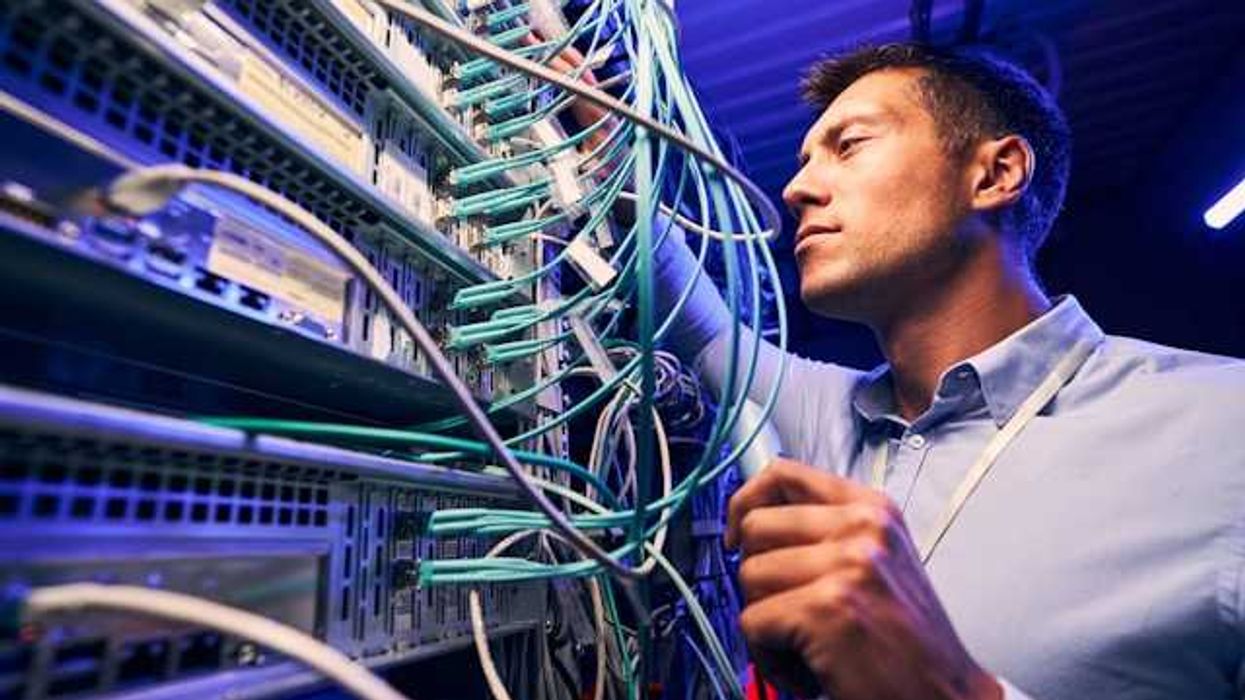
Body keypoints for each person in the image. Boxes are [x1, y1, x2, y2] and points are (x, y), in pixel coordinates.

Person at [552, 40, 1245, 698]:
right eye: (801, 159)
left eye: (847, 146)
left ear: (995, 173)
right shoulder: (829, 416)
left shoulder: (1221, 428)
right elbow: (693, 314)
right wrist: (600, 136)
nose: (796, 188)